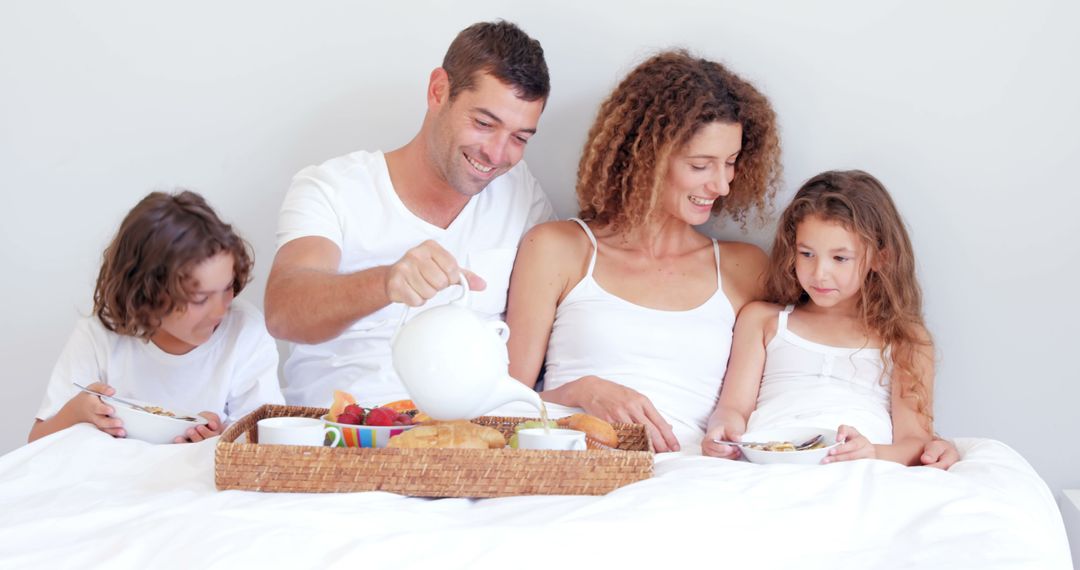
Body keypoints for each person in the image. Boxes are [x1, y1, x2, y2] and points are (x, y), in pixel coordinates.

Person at [264, 20, 554, 409]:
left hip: (473, 443)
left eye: (520, 138)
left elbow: (539, 343)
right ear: (439, 91)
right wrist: (386, 283)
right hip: (346, 437)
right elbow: (284, 312)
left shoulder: (521, 192)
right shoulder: (333, 188)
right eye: (484, 124)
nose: (498, 155)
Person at [506, 50, 782, 453]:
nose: (722, 186)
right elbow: (500, 410)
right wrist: (582, 392)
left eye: (731, 162)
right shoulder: (558, 249)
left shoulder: (746, 268)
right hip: (577, 473)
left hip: (695, 479)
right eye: (702, 165)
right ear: (647, 159)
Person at [702, 170, 937, 465]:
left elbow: (915, 441)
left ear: (881, 258)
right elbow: (733, 408)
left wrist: (872, 452)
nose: (819, 273)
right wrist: (722, 430)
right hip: (771, 464)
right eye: (806, 254)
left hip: (856, 469)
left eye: (840, 258)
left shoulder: (906, 339)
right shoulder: (763, 322)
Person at [29, 190, 284, 444]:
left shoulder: (244, 332)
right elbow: (36, 443)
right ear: (145, 294)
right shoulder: (100, 335)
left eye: (227, 288)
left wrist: (220, 439)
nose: (220, 310)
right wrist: (76, 413)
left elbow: (268, 444)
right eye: (200, 298)